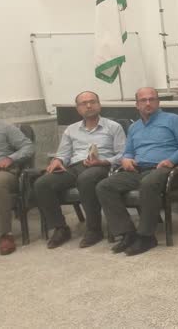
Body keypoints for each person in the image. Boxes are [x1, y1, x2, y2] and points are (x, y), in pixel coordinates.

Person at [96, 87, 178, 256]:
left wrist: (171, 160)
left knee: (148, 182)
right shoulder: (134, 127)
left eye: (152, 99)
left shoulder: (173, 120)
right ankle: (127, 233)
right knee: (104, 186)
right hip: (138, 170)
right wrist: (126, 159)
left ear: (158, 102)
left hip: (167, 170)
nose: (148, 103)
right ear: (137, 105)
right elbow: (128, 151)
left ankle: (146, 236)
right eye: (143, 100)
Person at [33, 91, 125, 249]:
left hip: (102, 167)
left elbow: (122, 154)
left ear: (99, 105)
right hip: (75, 166)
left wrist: (102, 161)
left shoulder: (113, 127)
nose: (89, 105)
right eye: (84, 103)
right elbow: (63, 153)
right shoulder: (71, 129)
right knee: (42, 183)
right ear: (78, 109)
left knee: (86, 179)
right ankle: (60, 228)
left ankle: (94, 229)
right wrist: (58, 160)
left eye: (92, 101)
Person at [0, 116, 34, 255]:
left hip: (3, 172)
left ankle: (6, 234)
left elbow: (28, 147)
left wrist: (10, 158)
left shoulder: (4, 128)